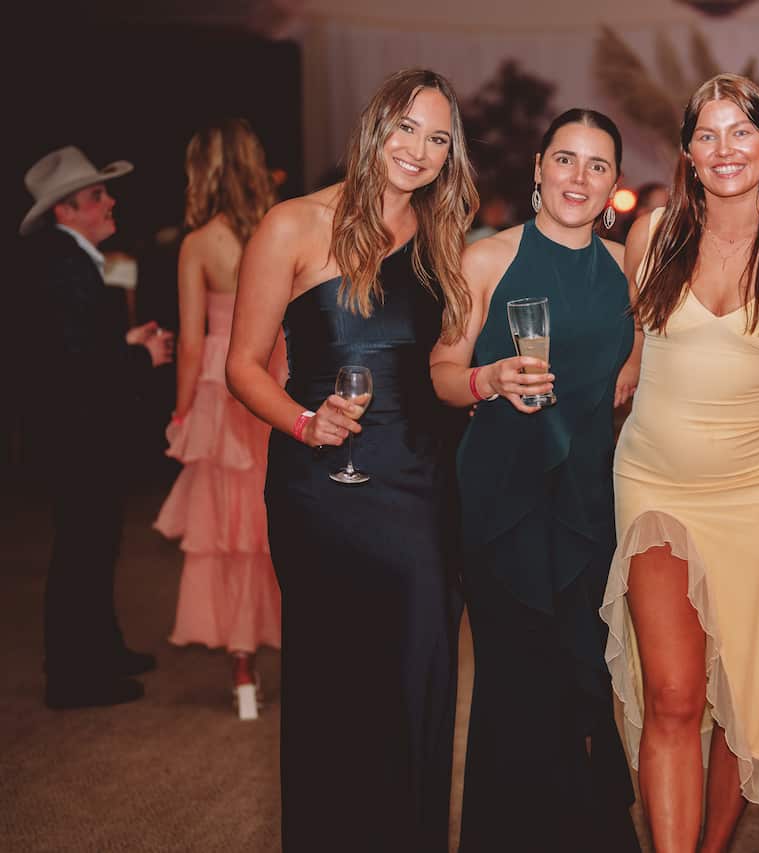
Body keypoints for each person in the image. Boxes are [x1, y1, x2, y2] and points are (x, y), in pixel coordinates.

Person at [599, 73, 759, 851]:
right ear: (685, 153)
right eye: (706, 135)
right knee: (675, 695)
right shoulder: (651, 234)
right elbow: (628, 361)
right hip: (654, 479)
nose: (724, 150)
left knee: (743, 696)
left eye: (740, 132)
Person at [225, 68, 475, 850]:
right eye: (408, 128)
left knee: (422, 679)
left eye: (438, 138)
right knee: (337, 687)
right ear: (375, 127)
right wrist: (305, 423)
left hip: (426, 484)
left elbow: (445, 362)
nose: (420, 150)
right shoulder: (292, 226)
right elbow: (240, 365)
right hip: (323, 488)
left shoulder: (443, 238)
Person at [430, 108, 641, 852]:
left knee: (586, 675)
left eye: (597, 165)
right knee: (517, 681)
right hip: (504, 497)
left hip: (590, 497)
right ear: (537, 170)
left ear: (616, 184)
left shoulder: (628, 269)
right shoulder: (485, 259)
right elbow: (442, 374)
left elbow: (647, 357)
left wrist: (636, 369)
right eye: (565, 159)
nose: (578, 177)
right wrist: (486, 377)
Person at [20, 146, 174, 709]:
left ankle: (101, 650)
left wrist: (126, 345)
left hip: (81, 432)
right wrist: (143, 356)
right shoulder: (66, 265)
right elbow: (76, 365)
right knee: (82, 550)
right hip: (77, 436)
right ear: (66, 211)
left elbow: (78, 346)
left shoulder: (76, 257)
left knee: (96, 543)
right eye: (96, 196)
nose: (110, 202)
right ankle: (73, 676)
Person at [153, 119, 284, 721]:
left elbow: (189, 339)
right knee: (274, 521)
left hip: (218, 383)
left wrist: (182, 413)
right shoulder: (279, 226)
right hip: (275, 378)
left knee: (231, 532)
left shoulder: (198, 243)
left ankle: (243, 672)